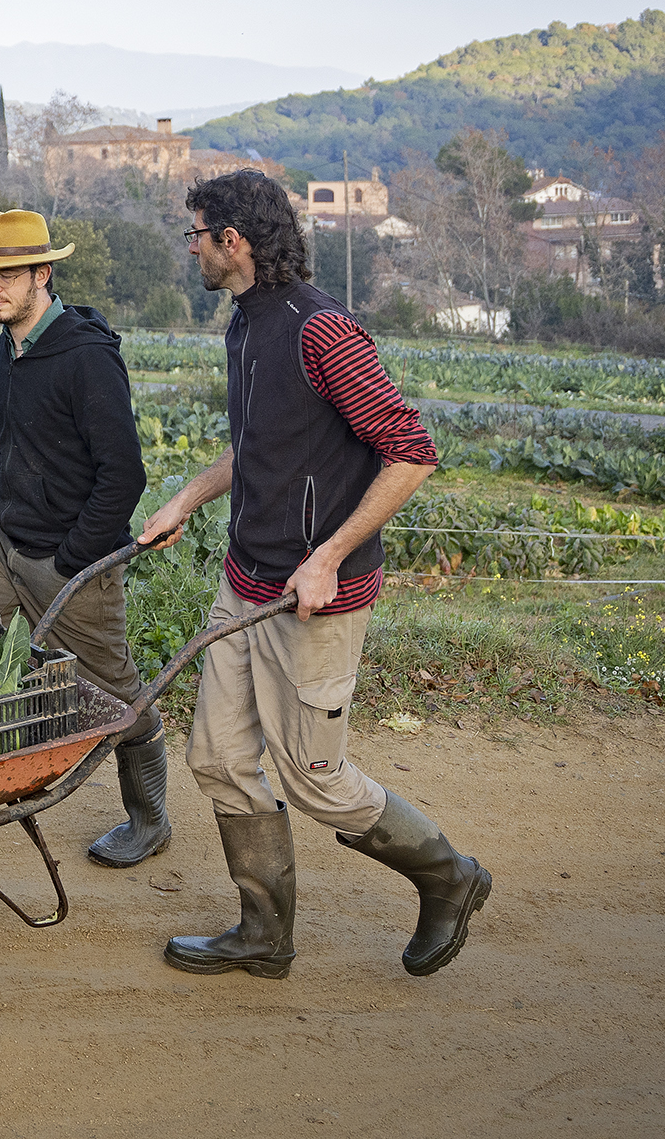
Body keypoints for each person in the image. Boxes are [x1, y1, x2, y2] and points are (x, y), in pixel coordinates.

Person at [140, 171, 490, 979]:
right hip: (246, 582)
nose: (189, 247)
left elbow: (412, 450)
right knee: (220, 759)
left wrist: (329, 555)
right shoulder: (244, 323)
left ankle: (450, 876)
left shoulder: (322, 331)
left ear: (234, 241)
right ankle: (264, 933)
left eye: (195, 233)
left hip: (314, 603)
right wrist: (185, 500)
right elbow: (259, 445)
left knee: (317, 781)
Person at [0, 209, 168, 868]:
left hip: (69, 556)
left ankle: (149, 817)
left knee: (113, 694)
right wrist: (6, 508)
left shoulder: (86, 359)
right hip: (4, 536)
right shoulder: (10, 344)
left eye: (9, 275)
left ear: (43, 274)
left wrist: (75, 558)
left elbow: (123, 473)